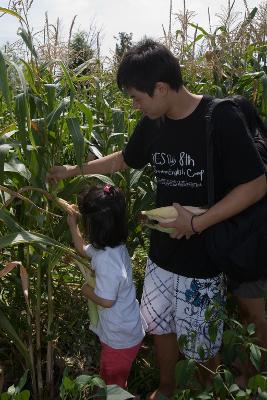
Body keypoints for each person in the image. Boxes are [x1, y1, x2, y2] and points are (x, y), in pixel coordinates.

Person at [47, 39, 267, 399]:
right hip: (160, 258)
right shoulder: (154, 122)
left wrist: (196, 223)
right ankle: (166, 389)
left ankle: (202, 391)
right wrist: (73, 170)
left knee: (201, 344)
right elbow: (124, 159)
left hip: (204, 261)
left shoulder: (219, 118)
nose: (135, 105)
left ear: (161, 88)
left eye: (137, 97)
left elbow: (256, 185)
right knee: (160, 327)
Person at [66, 184, 145, 390]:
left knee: (112, 384)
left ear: (96, 227)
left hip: (120, 339)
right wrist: (72, 224)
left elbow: (108, 301)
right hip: (126, 331)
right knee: (115, 376)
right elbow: (83, 250)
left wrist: (86, 290)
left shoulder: (106, 260)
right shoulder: (113, 247)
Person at [226, 95, 267, 386]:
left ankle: (253, 375)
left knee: (255, 315)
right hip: (250, 248)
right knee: (250, 313)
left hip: (252, 251)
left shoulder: (254, 153)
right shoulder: (256, 145)